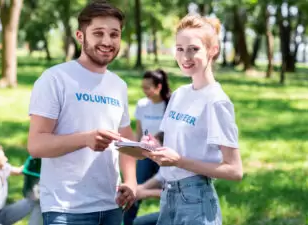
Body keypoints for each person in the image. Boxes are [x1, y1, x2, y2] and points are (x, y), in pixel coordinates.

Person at [27, 1, 137, 224]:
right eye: (98, 33)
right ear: (80, 35)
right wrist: (85, 139)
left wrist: (132, 181)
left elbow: (126, 140)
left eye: (114, 34)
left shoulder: (119, 85)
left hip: (111, 205)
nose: (107, 41)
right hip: (66, 210)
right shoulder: (55, 79)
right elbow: (36, 145)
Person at [142, 14, 243, 225]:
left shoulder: (217, 102)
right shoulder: (179, 94)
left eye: (194, 49)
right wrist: (153, 146)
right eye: (180, 48)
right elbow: (168, 143)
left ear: (212, 50)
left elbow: (234, 171)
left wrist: (178, 160)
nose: (185, 56)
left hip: (197, 200)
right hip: (168, 196)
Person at [123, 69, 171, 225]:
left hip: (165, 157)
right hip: (146, 155)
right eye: (142, 87)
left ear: (159, 87)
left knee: (170, 192)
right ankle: (127, 222)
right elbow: (138, 132)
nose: (145, 91)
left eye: (148, 87)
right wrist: (136, 153)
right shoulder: (142, 105)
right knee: (135, 190)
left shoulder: (170, 106)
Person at [0, 145, 39, 225]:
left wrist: (33, 163)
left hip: (2, 212)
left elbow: (19, 171)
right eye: (3, 158)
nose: (6, 159)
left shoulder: (2, 170)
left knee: (32, 201)